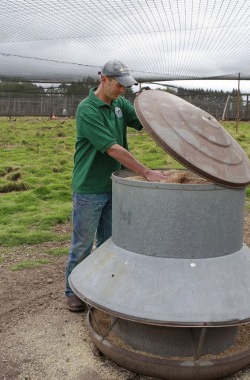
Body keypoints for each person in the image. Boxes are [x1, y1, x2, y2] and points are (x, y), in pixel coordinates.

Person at [65, 59, 169, 312]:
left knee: (110, 241)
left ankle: (100, 286)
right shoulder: (87, 109)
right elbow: (112, 148)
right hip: (90, 187)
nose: (122, 90)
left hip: (116, 186)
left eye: (125, 86)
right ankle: (74, 291)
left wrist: (151, 104)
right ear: (104, 80)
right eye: (118, 85)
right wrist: (146, 172)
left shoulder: (120, 104)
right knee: (82, 243)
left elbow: (143, 124)